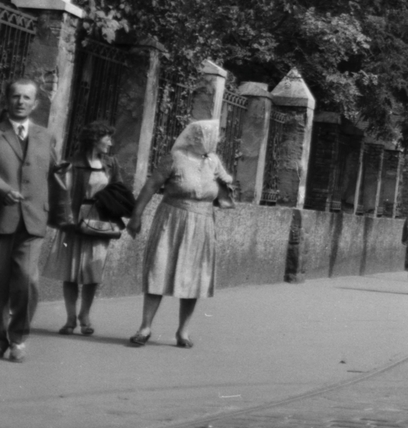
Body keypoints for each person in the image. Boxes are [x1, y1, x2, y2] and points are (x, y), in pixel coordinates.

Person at [126, 119, 233, 348]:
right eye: (213, 136)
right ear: (197, 138)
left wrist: (227, 185)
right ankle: (145, 327)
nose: (217, 140)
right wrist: (136, 215)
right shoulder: (174, 158)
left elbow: (226, 195)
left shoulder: (214, 161)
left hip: (202, 223)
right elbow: (151, 186)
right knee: (159, 269)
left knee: (193, 277)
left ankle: (183, 332)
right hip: (172, 220)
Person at [47, 119, 129, 336]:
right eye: (107, 138)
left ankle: (85, 315)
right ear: (95, 139)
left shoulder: (111, 164)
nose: (110, 142)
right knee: (71, 274)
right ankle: (70, 318)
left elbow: (120, 191)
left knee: (93, 272)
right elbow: (62, 193)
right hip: (76, 222)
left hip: (100, 223)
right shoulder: (73, 163)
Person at [0, 79, 59, 363]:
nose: (21, 101)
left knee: (26, 281)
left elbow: (55, 177)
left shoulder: (45, 136)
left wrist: (63, 216)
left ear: (35, 104)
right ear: (7, 99)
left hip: (33, 219)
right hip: (1, 217)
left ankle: (19, 338)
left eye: (27, 98)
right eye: (15, 96)